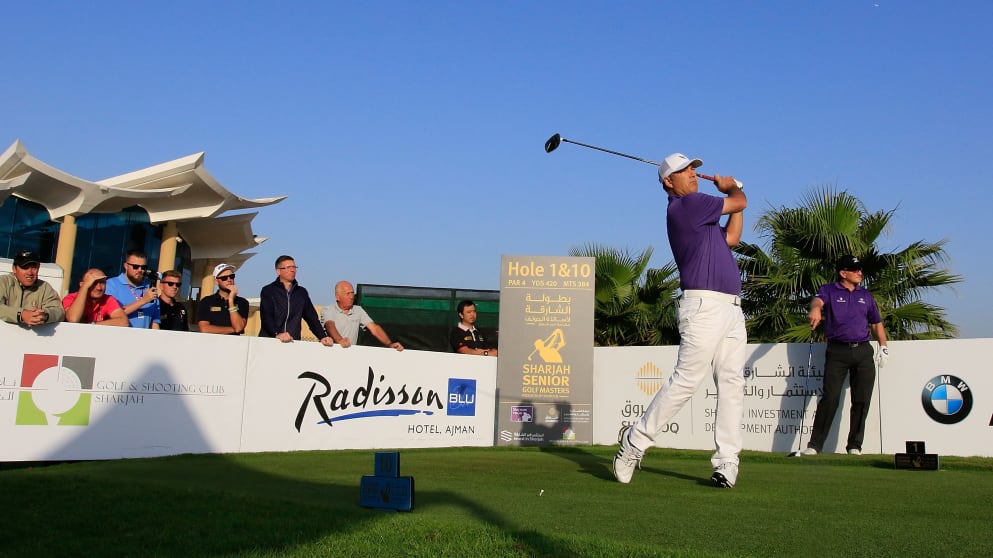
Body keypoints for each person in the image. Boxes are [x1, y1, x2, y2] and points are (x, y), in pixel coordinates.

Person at [614, 153, 747, 488]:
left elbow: (731, 238)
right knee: (687, 380)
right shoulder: (687, 207)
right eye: (683, 171)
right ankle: (635, 441)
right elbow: (737, 201)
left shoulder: (702, 218)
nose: (691, 173)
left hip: (731, 307)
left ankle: (727, 462)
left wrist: (735, 196)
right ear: (668, 182)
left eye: (692, 168)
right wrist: (733, 188)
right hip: (703, 306)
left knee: (731, 383)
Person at [802, 255, 889, 456]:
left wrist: (883, 347)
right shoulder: (829, 290)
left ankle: (854, 446)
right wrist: (815, 309)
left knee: (861, 400)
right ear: (843, 273)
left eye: (860, 269)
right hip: (837, 351)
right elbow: (818, 301)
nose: (860, 273)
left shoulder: (865, 295)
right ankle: (815, 445)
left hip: (863, 351)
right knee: (830, 398)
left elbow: (876, 323)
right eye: (855, 269)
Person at [259, 256, 332, 345]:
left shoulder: (301, 293)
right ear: (278, 271)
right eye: (288, 267)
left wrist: (322, 336)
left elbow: (312, 318)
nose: (292, 270)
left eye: (294, 267)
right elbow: (266, 317)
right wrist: (277, 334)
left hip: (293, 343)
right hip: (270, 342)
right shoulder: (268, 290)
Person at [323, 281, 403, 350]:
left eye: (352, 293)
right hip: (330, 354)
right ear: (338, 297)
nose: (351, 297)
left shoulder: (358, 310)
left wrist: (389, 344)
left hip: (350, 355)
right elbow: (330, 325)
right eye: (348, 294)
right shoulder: (328, 310)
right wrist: (340, 341)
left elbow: (374, 328)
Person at [0, 249, 66, 327]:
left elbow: (60, 312)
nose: (30, 272)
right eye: (25, 267)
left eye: (34, 268)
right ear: (14, 269)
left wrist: (45, 315)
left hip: (33, 338)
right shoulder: (3, 282)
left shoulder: (44, 287)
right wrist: (21, 315)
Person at [105, 249, 160, 329]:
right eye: (135, 267)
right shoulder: (111, 284)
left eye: (143, 267)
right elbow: (110, 316)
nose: (140, 270)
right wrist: (143, 301)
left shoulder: (150, 288)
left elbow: (154, 323)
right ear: (126, 266)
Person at [62, 268, 129, 326]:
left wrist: (93, 325)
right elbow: (73, 319)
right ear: (82, 284)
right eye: (93, 283)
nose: (99, 288)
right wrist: (84, 287)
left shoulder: (108, 299)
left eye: (102, 282)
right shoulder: (70, 298)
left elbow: (123, 322)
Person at [196, 263, 249, 335]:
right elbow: (204, 328)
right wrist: (233, 329)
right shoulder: (207, 301)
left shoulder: (242, 302)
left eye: (232, 276)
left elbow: (239, 327)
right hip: (212, 344)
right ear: (216, 281)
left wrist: (231, 301)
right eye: (224, 278)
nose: (229, 280)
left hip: (234, 345)